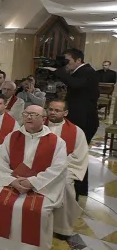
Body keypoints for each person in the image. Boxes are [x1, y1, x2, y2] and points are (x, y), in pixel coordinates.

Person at [0, 105, 68, 250]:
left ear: (44, 119)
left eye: (34, 114)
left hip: (41, 187)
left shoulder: (57, 142)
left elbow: (58, 168)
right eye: (26, 114)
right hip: (11, 182)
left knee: (37, 211)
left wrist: (32, 182)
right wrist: (12, 181)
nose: (29, 117)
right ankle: (0, 245)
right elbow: (2, 162)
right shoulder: (12, 137)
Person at [42, 48, 99, 197]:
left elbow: (75, 85)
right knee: (74, 154)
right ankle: (77, 187)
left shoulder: (87, 71)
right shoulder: (79, 72)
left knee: (79, 154)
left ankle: (79, 189)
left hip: (85, 120)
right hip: (79, 117)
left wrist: (58, 70)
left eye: (68, 61)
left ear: (78, 60)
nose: (66, 64)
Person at [46, 100, 88, 239]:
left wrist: (57, 166)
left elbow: (78, 156)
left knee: (65, 185)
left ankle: (62, 227)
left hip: (64, 168)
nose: (52, 112)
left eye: (57, 110)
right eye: (50, 109)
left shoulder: (76, 132)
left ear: (65, 113)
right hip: (38, 167)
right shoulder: (37, 125)